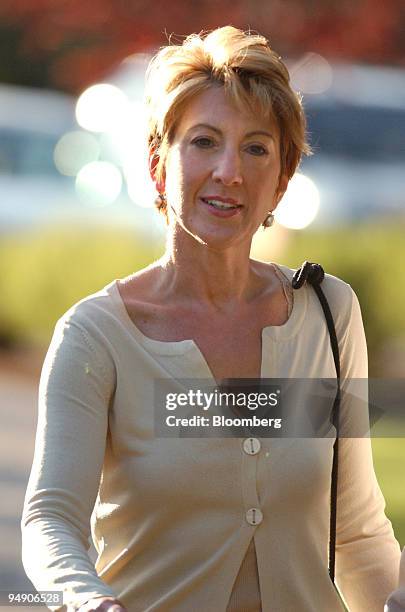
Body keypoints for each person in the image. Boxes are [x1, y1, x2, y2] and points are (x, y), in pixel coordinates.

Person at [21, 26, 400, 612]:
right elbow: (50, 520)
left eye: (256, 148)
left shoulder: (328, 313)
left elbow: (354, 531)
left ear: (281, 180)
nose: (230, 171)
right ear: (157, 162)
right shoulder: (97, 335)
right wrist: (86, 598)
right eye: (204, 141)